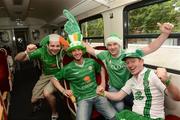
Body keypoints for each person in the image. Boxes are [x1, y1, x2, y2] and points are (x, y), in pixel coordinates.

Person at [83, 22, 174, 111]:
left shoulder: (128, 54)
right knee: (119, 107)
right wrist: (75, 37)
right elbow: (89, 49)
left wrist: (165, 34)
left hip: (130, 86)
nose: (112, 47)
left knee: (136, 105)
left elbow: (150, 48)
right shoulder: (104, 55)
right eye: (109, 45)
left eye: (115, 44)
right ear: (107, 47)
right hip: (114, 87)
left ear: (119, 45)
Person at [97, 50, 171, 120]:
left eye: (133, 61)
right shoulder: (131, 81)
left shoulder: (153, 75)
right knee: (121, 114)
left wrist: (167, 81)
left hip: (152, 118)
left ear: (141, 61)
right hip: (135, 115)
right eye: (127, 63)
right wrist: (103, 93)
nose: (130, 65)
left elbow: (176, 96)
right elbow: (118, 96)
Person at [14, 34, 69, 120]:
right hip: (46, 75)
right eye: (52, 46)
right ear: (47, 45)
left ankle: (54, 111)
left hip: (59, 75)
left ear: (61, 46)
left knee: (47, 93)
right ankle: (40, 100)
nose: (55, 48)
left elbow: (78, 50)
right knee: (33, 100)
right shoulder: (41, 51)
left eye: (57, 46)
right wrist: (26, 51)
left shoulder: (63, 50)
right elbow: (17, 59)